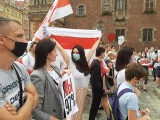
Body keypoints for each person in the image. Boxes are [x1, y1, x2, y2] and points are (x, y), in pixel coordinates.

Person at [0, 17, 38, 120]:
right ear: (1, 39)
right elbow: (32, 96)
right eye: (19, 36)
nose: (25, 41)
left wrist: (19, 114)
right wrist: (29, 98)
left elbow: (36, 96)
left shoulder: (19, 68)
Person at [55, 38, 100, 120]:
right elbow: (61, 49)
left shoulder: (85, 61)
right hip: (74, 93)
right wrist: (53, 38)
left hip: (84, 93)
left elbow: (93, 49)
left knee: (79, 115)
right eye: (74, 52)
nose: (75, 54)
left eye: (77, 53)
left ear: (81, 54)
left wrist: (98, 38)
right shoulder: (70, 62)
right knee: (75, 116)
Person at [30, 38, 65, 120]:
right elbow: (35, 111)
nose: (56, 54)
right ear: (48, 54)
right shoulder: (37, 76)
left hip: (61, 113)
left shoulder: (55, 67)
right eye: (55, 51)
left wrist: (65, 77)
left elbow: (58, 90)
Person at [89, 46, 110, 120]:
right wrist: (102, 90)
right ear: (101, 53)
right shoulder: (96, 63)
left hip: (97, 88)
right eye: (104, 53)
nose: (104, 54)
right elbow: (95, 80)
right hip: (97, 89)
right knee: (95, 105)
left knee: (95, 105)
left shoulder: (97, 62)